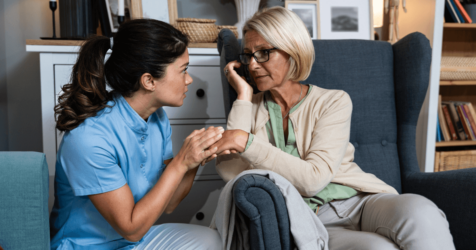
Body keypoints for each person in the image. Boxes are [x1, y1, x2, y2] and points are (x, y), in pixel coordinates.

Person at [212, 7, 456, 250]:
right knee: (378, 248)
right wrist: (243, 96)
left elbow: (313, 178)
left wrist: (247, 143)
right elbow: (232, 171)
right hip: (312, 219)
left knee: (421, 211)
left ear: (292, 50)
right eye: (248, 56)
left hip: (360, 202)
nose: (253, 65)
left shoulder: (333, 101)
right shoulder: (250, 109)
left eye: (263, 53)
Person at [49, 19, 223, 250]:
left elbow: (169, 204)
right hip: (88, 246)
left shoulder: (157, 118)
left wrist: (195, 160)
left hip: (135, 241)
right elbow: (130, 228)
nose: (189, 79)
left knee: (213, 240)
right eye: (183, 70)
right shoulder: (89, 140)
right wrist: (181, 162)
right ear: (149, 80)